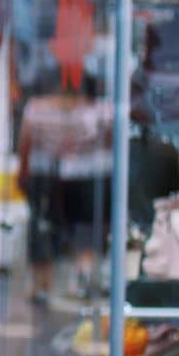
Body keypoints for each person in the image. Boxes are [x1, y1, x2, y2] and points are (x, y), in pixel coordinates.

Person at [16, 74, 115, 303]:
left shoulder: (41, 109)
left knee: (72, 228)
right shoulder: (97, 109)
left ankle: (67, 278)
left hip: (79, 177)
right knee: (57, 227)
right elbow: (110, 140)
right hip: (68, 177)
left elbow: (26, 143)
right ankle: (66, 277)